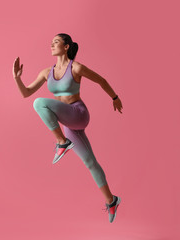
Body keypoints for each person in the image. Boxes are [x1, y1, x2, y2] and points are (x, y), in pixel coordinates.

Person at [12, 33, 123, 223]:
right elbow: (26, 93)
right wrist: (17, 78)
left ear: (66, 47)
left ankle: (62, 142)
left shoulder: (76, 67)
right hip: (68, 123)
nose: (52, 45)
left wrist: (115, 98)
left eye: (56, 42)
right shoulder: (46, 72)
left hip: (78, 114)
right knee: (90, 162)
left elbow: (101, 80)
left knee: (40, 103)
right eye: (51, 43)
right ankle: (111, 201)